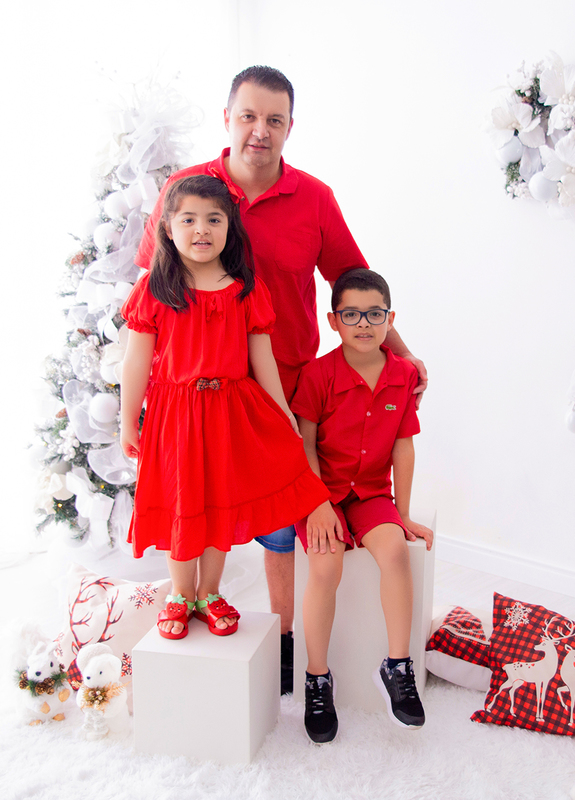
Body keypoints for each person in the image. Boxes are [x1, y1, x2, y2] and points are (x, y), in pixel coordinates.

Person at [135, 66, 427, 690]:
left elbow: (353, 278)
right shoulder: (191, 191)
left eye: (274, 120)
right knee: (201, 504)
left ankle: (288, 641)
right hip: (200, 395)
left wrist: (400, 356)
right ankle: (194, 599)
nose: (259, 132)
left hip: (285, 383)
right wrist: (144, 402)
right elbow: (151, 289)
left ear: (290, 127)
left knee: (282, 519)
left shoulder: (314, 197)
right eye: (248, 116)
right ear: (227, 119)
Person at [119, 174, 329, 640]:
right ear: (168, 229)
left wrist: (283, 415)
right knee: (183, 505)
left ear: (230, 228)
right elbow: (136, 361)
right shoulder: (156, 288)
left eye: (214, 219)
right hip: (175, 417)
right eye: (188, 219)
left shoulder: (245, 289)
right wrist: (127, 419)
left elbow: (263, 361)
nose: (202, 229)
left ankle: (209, 592)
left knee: (219, 506)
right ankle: (180, 593)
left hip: (229, 414)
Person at [291, 268, 434, 743]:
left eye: (375, 314)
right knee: (326, 567)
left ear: (389, 319)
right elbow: (305, 445)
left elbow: (403, 448)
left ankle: (397, 667)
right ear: (334, 321)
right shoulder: (318, 374)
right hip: (321, 494)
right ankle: (317, 678)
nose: (364, 324)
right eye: (351, 314)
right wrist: (316, 504)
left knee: (394, 551)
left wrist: (404, 511)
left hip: (372, 493)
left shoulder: (403, 374)